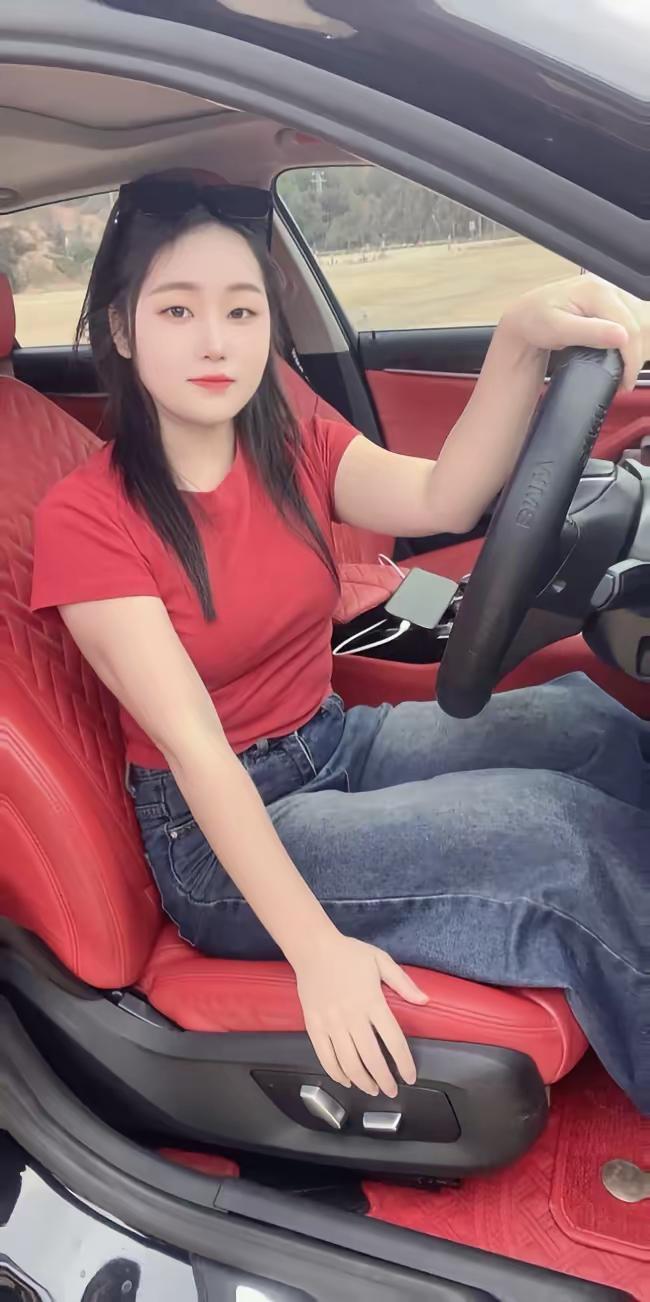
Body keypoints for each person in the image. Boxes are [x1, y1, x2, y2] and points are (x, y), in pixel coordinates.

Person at [30, 171, 650, 1113]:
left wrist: (519, 342)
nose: (215, 341)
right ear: (121, 328)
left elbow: (442, 496)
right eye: (177, 310)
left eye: (242, 310)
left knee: (589, 725)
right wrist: (316, 951)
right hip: (218, 839)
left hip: (329, 741)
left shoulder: (288, 438)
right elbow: (198, 753)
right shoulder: (87, 519)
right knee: (557, 840)